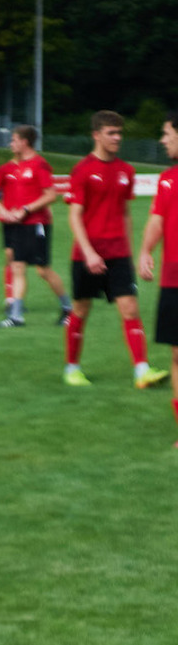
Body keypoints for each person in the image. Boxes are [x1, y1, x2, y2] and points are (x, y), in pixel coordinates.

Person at [63, 110, 168, 389]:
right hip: (87, 254)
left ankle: (141, 371)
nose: (117, 138)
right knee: (81, 310)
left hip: (118, 254)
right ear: (96, 135)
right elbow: (75, 215)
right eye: (111, 133)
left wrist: (132, 253)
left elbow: (124, 213)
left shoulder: (126, 171)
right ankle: (72, 368)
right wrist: (88, 253)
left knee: (130, 309)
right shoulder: (83, 170)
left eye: (120, 133)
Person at [0, 125, 73, 328]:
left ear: (24, 142)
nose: (11, 144)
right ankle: (16, 316)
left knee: (43, 270)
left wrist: (25, 210)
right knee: (17, 267)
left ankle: (68, 309)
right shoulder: (14, 167)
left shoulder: (39, 165)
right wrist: (3, 210)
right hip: (15, 225)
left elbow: (51, 195)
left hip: (36, 224)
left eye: (14, 140)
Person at [136, 110, 178, 445]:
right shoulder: (167, 179)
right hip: (172, 279)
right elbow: (157, 220)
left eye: (167, 133)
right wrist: (146, 250)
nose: (163, 140)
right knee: (177, 355)